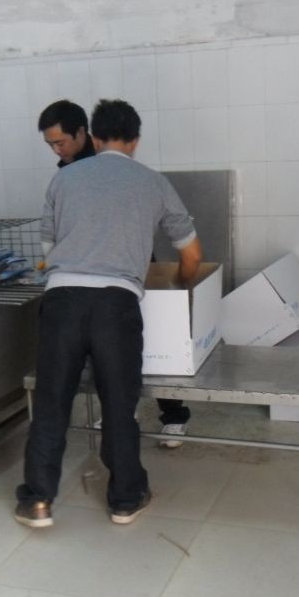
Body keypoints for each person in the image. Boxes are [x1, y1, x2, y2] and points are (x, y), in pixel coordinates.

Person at [17, 99, 203, 528]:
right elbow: (192, 255)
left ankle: (38, 500)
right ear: (135, 141)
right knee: (119, 404)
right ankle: (125, 498)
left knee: (51, 402)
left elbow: (48, 250)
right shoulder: (154, 182)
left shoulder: (63, 180)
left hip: (62, 301)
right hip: (115, 305)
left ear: (95, 138)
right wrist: (180, 284)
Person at [37, 99, 193, 447]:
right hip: (90, 275)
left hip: (128, 266)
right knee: (107, 351)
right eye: (50, 145)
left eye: (60, 142)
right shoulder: (67, 173)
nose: (57, 150)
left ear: (85, 134)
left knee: (155, 340)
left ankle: (173, 414)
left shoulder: (106, 163)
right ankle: (122, 411)